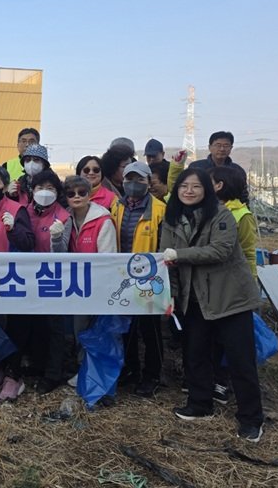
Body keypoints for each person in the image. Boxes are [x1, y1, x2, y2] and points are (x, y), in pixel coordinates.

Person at [161, 168, 264, 442]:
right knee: (195, 354)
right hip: (194, 299)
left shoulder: (221, 215)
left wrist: (179, 254)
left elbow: (220, 250)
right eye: (184, 186)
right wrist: (171, 294)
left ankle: (251, 418)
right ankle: (199, 404)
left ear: (208, 189)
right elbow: (167, 262)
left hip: (230, 299)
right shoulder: (171, 219)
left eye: (196, 186)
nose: (189, 191)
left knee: (241, 360)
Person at [0, 164, 35, 402]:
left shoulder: (16, 209)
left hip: (13, 279)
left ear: (4, 186)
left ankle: (14, 375)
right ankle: (0, 369)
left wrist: (12, 229)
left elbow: (28, 242)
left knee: (15, 326)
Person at [111, 161, 166, 397]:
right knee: (127, 327)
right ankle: (131, 368)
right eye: (129, 179)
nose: (134, 184)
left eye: (140, 179)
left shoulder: (160, 210)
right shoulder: (116, 206)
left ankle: (153, 374)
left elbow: (164, 246)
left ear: (148, 182)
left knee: (149, 328)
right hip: (122, 276)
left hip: (149, 278)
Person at [209, 165, 258, 404]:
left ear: (219, 185)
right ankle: (210, 380)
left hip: (232, 286)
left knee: (231, 341)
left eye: (208, 181)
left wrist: (250, 284)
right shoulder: (207, 210)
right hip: (209, 284)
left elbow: (249, 252)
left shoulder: (242, 215)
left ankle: (223, 383)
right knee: (211, 338)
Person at [63, 175, 118, 387]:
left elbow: (108, 258)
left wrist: (100, 286)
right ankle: (85, 370)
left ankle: (98, 375)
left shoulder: (103, 221)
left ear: (89, 195)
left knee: (96, 331)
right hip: (76, 286)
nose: (76, 197)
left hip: (97, 286)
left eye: (82, 192)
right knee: (79, 331)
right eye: (71, 193)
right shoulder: (66, 220)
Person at [26, 169, 73, 394]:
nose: (44, 192)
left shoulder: (63, 216)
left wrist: (56, 236)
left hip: (53, 278)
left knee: (55, 326)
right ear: (32, 190)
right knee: (35, 323)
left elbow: (62, 251)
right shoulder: (25, 211)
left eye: (50, 188)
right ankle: (37, 364)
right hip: (28, 277)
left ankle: (53, 373)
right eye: (40, 187)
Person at [189, 131, 248, 203]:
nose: (222, 149)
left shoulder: (237, 170)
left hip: (230, 208)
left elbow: (243, 196)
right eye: (218, 145)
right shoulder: (196, 167)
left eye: (226, 145)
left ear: (231, 148)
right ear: (210, 147)